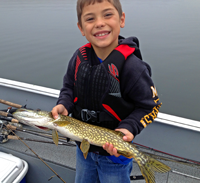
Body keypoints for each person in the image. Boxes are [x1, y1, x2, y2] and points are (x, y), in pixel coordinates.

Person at [51, 0, 162, 182]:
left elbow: (150, 107)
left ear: (121, 19)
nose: (99, 23)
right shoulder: (79, 59)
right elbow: (69, 87)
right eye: (90, 18)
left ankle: (144, 162)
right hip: (84, 150)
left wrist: (129, 127)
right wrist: (64, 104)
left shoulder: (133, 68)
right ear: (81, 28)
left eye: (108, 14)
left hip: (115, 155)